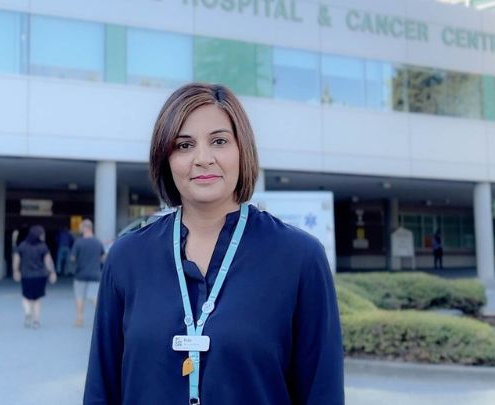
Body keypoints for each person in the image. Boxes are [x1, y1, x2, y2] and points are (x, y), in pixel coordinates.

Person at [84, 83, 344, 404]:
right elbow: (101, 388)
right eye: (184, 145)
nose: (203, 159)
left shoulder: (300, 258)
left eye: (219, 141)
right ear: (165, 158)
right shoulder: (127, 258)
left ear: (242, 150)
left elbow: (323, 392)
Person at [12, 225, 57, 329]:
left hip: (26, 276)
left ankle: (28, 312)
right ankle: (36, 321)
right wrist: (52, 272)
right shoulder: (43, 246)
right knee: (37, 300)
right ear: (39, 235)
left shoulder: (22, 245)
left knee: (26, 297)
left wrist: (16, 271)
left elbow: (16, 260)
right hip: (40, 276)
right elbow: (48, 261)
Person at [71, 219, 104, 327]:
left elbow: (73, 258)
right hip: (95, 274)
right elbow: (102, 257)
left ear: (86, 228)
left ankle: (79, 319)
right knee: (95, 297)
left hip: (80, 274)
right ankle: (101, 319)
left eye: (81, 227)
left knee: (80, 297)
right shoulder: (98, 242)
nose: (80, 229)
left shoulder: (78, 242)